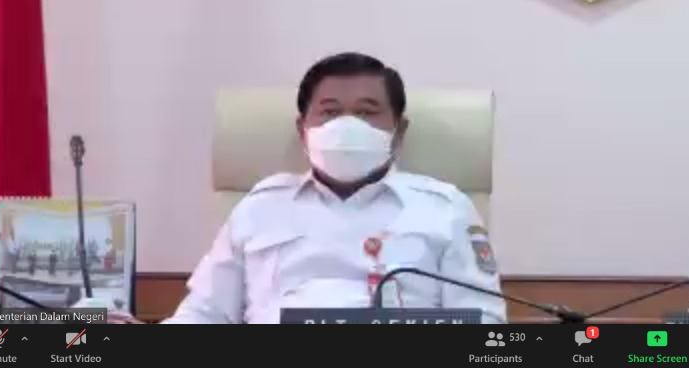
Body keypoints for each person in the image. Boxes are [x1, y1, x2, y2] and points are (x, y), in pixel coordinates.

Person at [158, 52, 507, 324]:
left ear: (399, 131)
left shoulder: (445, 209)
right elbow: (205, 313)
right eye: (330, 112)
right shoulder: (259, 208)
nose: (347, 126)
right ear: (302, 130)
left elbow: (485, 325)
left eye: (366, 112)